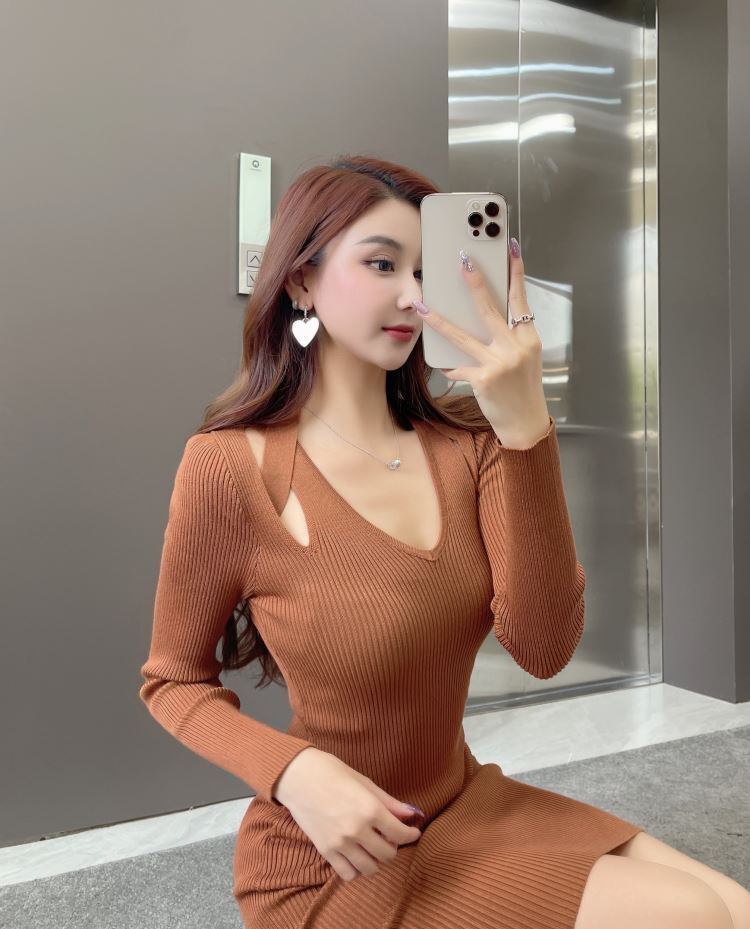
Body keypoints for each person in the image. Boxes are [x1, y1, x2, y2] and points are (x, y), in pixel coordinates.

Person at [138, 154, 750, 929]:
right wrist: (294, 773)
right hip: (335, 854)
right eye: (383, 263)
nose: (413, 294)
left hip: (464, 801)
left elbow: (543, 647)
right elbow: (173, 681)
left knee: (734, 908)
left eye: (427, 271)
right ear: (300, 280)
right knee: (689, 914)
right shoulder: (230, 466)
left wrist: (526, 428)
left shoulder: (472, 446)